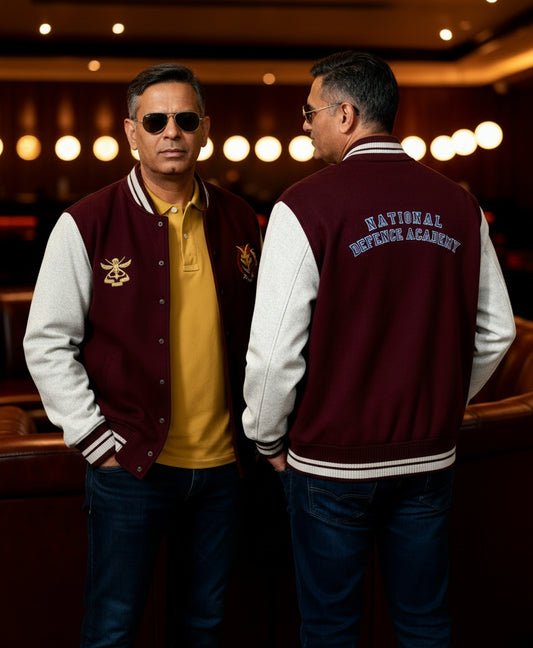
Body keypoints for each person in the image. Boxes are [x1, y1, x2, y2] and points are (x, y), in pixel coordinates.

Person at [242, 51, 515, 648]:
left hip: (330, 463)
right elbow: (498, 331)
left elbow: (273, 351)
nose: (304, 125)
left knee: (331, 630)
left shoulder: (302, 205)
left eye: (310, 112)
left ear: (345, 114)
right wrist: (439, 400)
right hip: (428, 457)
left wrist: (265, 437)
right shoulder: (459, 202)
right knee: (424, 625)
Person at [24, 63, 261, 648]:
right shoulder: (86, 222)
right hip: (130, 466)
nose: (171, 132)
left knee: (204, 629)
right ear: (132, 132)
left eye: (185, 120)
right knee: (113, 629)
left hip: (224, 467)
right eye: (155, 121)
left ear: (205, 129)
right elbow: (47, 342)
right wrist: (96, 441)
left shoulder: (240, 218)